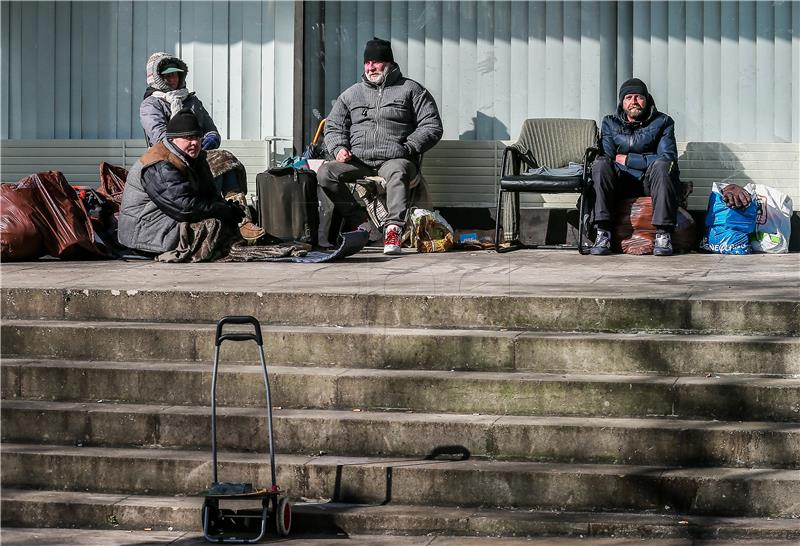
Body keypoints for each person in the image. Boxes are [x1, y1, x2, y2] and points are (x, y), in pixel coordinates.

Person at [318, 37, 443, 254]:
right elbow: (333, 127)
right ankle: (362, 224)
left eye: (376, 62)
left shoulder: (412, 90)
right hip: (358, 161)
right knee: (326, 172)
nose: (371, 67)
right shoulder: (351, 94)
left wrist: (408, 147)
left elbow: (432, 126)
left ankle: (393, 229)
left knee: (398, 170)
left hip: (394, 159)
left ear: (390, 63)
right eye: (367, 62)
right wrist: (339, 148)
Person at [139, 51, 263, 243]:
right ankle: (238, 221)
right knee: (225, 158)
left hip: (198, 155)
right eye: (167, 75)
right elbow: (160, 138)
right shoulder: (151, 105)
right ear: (157, 77)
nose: (173, 78)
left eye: (176, 74)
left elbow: (211, 130)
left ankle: (242, 220)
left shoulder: (192, 100)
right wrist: (191, 141)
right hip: (167, 161)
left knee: (226, 164)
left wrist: (210, 138)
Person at [118, 109, 245, 255]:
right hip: (144, 233)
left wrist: (227, 207)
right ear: (172, 139)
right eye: (188, 138)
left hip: (166, 222)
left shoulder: (194, 158)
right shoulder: (159, 164)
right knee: (213, 226)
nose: (195, 143)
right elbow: (185, 208)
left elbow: (209, 195)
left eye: (198, 137)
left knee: (227, 222)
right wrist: (222, 210)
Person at [590, 78, 682, 256]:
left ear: (646, 100)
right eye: (628, 97)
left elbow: (668, 156)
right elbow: (608, 158)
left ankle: (663, 235)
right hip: (621, 182)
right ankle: (603, 233)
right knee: (600, 164)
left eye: (638, 97)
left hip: (650, 180)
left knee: (664, 165)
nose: (633, 102)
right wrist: (627, 162)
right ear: (622, 102)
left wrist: (629, 160)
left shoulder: (663, 122)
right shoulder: (610, 123)